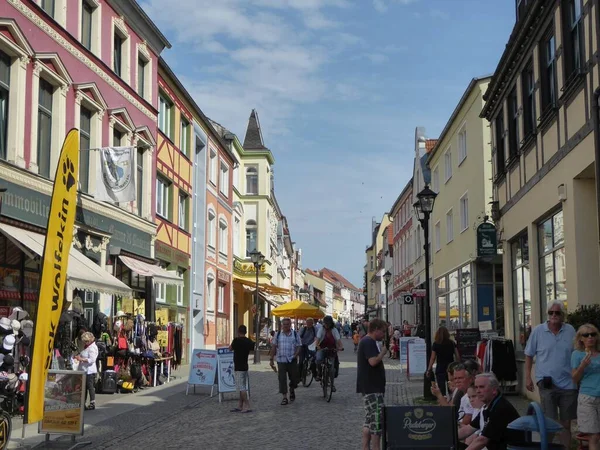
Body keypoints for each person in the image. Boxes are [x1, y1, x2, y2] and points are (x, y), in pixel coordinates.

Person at [524, 300, 576, 447]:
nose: (554, 315)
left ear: (563, 315)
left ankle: (565, 448)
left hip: (568, 383)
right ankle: (547, 447)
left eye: (557, 313)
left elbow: (577, 353)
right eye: (551, 312)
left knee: (566, 424)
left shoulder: (570, 330)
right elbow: (528, 354)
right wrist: (528, 377)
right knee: (549, 422)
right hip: (547, 383)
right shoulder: (538, 331)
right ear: (547, 314)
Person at [458, 373, 524, 450]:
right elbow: (468, 429)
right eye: (476, 387)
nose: (478, 391)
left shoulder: (500, 408)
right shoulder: (487, 406)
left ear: (494, 390)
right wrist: (447, 439)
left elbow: (482, 441)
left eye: (481, 387)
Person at [356, 318, 387, 450]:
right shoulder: (369, 341)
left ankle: (365, 447)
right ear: (375, 330)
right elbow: (373, 362)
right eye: (383, 332)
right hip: (372, 388)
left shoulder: (367, 341)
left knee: (369, 421)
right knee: (376, 422)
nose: (384, 335)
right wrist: (383, 353)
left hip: (370, 386)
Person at [571, 323, 600, 450]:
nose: (590, 337)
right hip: (587, 398)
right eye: (586, 335)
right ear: (580, 338)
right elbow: (574, 379)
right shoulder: (577, 354)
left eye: (593, 334)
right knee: (593, 436)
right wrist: (582, 366)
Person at [269, 318, 301, 405]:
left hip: (292, 360)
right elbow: (274, 347)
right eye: (284, 324)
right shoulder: (278, 334)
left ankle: (292, 388)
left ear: (290, 325)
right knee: (282, 379)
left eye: (287, 324)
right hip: (281, 360)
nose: (286, 326)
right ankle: (284, 397)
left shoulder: (295, 334)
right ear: (282, 325)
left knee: (295, 378)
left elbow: (299, 346)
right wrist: (271, 360)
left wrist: (296, 355)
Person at [427, 326, 460, 397]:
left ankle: (443, 400)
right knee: (451, 386)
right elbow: (457, 355)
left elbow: (432, 358)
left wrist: (429, 368)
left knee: (441, 387)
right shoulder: (452, 343)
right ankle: (452, 400)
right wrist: (458, 365)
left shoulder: (436, 344)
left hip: (440, 367)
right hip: (451, 367)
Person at [229, 325, 255, 413]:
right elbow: (253, 347)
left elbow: (230, 348)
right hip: (245, 365)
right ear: (246, 332)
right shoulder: (248, 341)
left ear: (238, 331)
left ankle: (247, 405)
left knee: (242, 387)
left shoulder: (236, 341)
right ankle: (240, 405)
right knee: (242, 385)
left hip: (238, 366)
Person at [314, 315, 344, 387]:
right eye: (325, 323)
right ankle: (319, 373)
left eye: (328, 323)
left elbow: (338, 340)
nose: (327, 325)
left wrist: (341, 347)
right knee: (318, 359)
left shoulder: (334, 330)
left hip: (332, 349)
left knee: (332, 369)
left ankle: (332, 384)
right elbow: (317, 340)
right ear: (323, 323)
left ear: (331, 323)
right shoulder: (321, 329)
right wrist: (317, 346)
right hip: (322, 348)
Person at [74, 331, 98, 411]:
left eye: (87, 341)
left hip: (89, 371)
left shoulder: (92, 348)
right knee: (83, 387)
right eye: (84, 341)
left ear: (91, 340)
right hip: (84, 370)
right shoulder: (87, 346)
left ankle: (92, 403)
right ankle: (83, 403)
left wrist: (81, 359)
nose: (85, 343)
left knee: (90, 387)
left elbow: (92, 359)